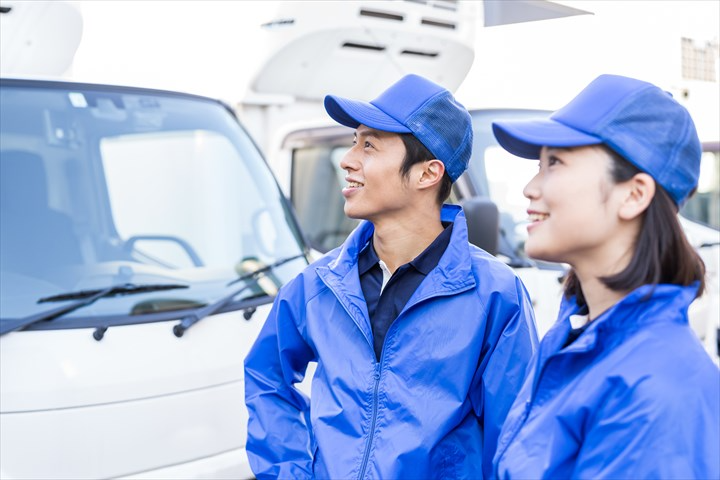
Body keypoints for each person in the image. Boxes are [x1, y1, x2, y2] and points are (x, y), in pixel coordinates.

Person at [244, 74, 538, 479]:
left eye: (369, 145)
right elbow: (265, 376)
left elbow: (515, 443)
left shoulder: (494, 296)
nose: (348, 160)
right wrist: (288, 473)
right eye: (353, 142)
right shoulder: (319, 284)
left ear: (426, 173)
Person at [491, 74, 720, 479]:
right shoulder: (571, 337)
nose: (529, 187)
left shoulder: (657, 388)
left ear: (633, 194)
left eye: (554, 164)